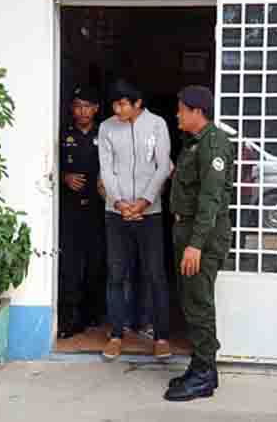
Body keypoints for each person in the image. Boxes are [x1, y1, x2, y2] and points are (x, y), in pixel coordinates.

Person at [164, 85, 234, 402]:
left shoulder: (213, 144)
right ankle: (201, 366)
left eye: (181, 110)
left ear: (197, 111)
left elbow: (210, 199)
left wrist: (196, 245)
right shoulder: (193, 143)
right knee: (190, 300)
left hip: (202, 235)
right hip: (187, 230)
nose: (177, 115)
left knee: (199, 302)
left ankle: (205, 374)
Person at [97, 80, 172, 360]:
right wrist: (118, 202)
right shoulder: (107, 127)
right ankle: (116, 335)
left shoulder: (157, 124)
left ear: (137, 103)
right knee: (116, 274)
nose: (117, 110)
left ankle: (161, 337)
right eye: (114, 104)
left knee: (155, 274)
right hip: (115, 213)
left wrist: (144, 201)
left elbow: (163, 166)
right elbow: (106, 169)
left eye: (122, 104)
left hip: (149, 213)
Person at [58, 86, 106, 338]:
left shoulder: (105, 134)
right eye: (78, 106)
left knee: (96, 263)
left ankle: (93, 314)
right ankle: (70, 319)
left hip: (99, 208)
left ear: (96, 109)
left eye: (88, 106)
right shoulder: (62, 133)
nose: (83, 111)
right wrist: (64, 177)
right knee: (71, 264)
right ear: (72, 108)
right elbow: (46, 164)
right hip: (71, 209)